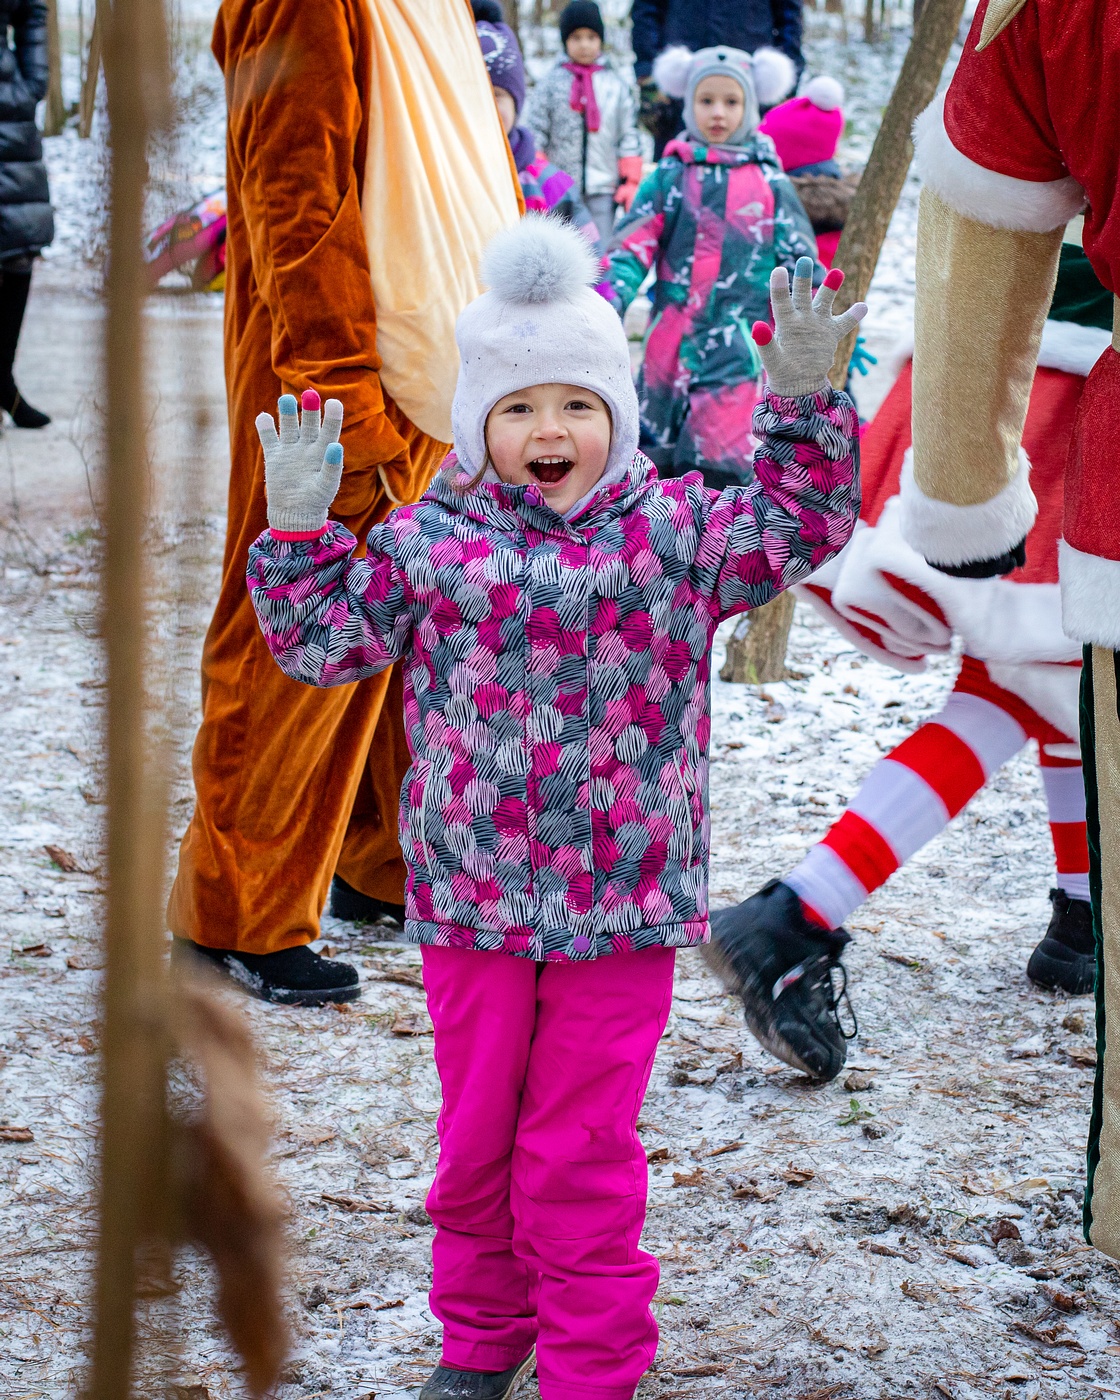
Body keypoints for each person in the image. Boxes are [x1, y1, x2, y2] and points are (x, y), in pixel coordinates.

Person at [245, 216, 864, 1400]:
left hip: (621, 908)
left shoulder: (678, 532)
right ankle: (482, 1333)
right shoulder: (431, 543)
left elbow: (799, 523)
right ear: (481, 425)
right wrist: (297, 529)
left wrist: (803, 406)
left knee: (577, 1147)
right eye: (519, 406)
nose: (548, 430)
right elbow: (323, 642)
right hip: (470, 903)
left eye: (576, 404)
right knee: (477, 1142)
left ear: (617, 417)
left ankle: (589, 1363)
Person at [167, 0, 520, 1006]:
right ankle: (233, 909)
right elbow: (295, 198)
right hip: (336, 369)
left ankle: (374, 860)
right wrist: (337, 384)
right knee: (289, 640)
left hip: (417, 363)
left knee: (395, 625)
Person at [707, 236, 1112, 1081]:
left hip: (1012, 335)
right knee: (1031, 674)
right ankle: (798, 912)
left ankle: (1083, 916)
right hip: (1079, 361)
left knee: (1053, 658)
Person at [890, 0, 1120, 1260]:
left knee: (1022, 693)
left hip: (1079, 463)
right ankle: (1075, 910)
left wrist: (964, 490)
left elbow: (980, 220)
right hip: (1072, 446)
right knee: (1020, 691)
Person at [605, 44, 816, 491]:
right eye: (706, 101)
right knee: (648, 465)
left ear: (751, 106)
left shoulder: (770, 183)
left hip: (737, 351)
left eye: (731, 101)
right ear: (688, 105)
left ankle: (713, 550)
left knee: (718, 469)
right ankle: (652, 550)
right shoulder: (669, 176)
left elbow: (801, 266)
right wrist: (605, 304)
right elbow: (631, 246)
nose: (718, 113)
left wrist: (806, 328)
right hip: (667, 351)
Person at [475, 6, 602, 252]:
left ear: (517, 101)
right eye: (471, 94)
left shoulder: (550, 184)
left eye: (496, 95)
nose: (485, 106)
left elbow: (591, 259)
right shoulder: (435, 177)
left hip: (599, 183)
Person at [523, 0, 643, 248]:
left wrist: (630, 180)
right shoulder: (550, 85)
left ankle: (600, 288)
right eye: (576, 37)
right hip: (560, 188)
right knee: (562, 248)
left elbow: (627, 134)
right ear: (565, 41)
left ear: (600, 39)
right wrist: (540, 172)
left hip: (603, 187)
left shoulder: (615, 86)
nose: (585, 44)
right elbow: (537, 131)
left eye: (591, 36)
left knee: (598, 249)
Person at [631, 0, 804, 158]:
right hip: (681, 85)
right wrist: (650, 75)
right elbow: (646, 11)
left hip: (749, 82)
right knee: (675, 168)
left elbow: (790, 18)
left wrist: (783, 84)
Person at [0, 0, 54, 429]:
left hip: (6, 99)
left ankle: (1, 381)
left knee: (18, 245)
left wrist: (31, 81)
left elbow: (31, 8)